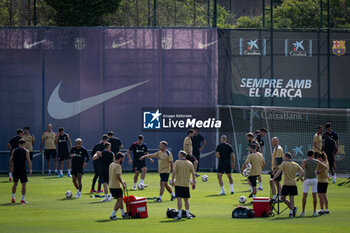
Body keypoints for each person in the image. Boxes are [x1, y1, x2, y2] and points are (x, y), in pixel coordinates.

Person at [272, 152, 304, 217]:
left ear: (286, 157)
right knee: (290, 198)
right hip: (293, 184)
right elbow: (302, 172)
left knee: (283, 197)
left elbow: (279, 172)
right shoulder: (295, 164)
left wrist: (273, 178)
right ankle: (292, 209)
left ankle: (291, 212)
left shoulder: (284, 163)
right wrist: (298, 178)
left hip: (286, 184)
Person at [300, 151, 327, 216]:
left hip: (307, 179)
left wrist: (301, 178)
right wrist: (319, 171)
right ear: (313, 155)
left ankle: (303, 212)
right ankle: (314, 212)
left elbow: (302, 170)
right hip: (314, 179)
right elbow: (325, 167)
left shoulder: (305, 161)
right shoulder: (316, 161)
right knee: (314, 196)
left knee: (304, 196)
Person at [171, 150, 196, 220]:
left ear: (181, 155)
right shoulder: (190, 163)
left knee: (179, 199)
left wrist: (172, 181)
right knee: (186, 200)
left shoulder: (177, 162)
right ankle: (187, 214)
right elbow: (193, 174)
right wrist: (193, 183)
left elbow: (173, 172)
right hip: (186, 184)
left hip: (178, 184)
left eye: (179, 154)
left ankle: (179, 215)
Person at [9, 139, 32, 204]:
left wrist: (11, 167)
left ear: (18, 144)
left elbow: (10, 159)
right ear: (24, 144)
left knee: (15, 184)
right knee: (23, 185)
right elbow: (28, 160)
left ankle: (13, 198)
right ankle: (22, 199)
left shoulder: (14, 150)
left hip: (15, 169)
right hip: (22, 169)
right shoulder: (26, 151)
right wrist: (30, 169)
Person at [109, 152, 128, 220]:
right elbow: (118, 176)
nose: (123, 160)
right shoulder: (118, 166)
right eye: (123, 159)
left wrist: (122, 181)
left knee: (120, 200)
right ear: (120, 158)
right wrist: (122, 183)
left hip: (111, 185)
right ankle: (112, 215)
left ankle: (123, 214)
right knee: (119, 201)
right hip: (116, 186)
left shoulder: (112, 164)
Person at [270, 137, 284, 201]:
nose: (273, 143)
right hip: (275, 168)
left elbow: (278, 160)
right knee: (275, 182)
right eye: (272, 141)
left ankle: (278, 197)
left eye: (274, 141)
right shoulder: (275, 148)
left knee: (275, 182)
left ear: (277, 141)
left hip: (277, 169)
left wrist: (274, 169)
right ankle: (276, 197)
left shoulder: (278, 149)